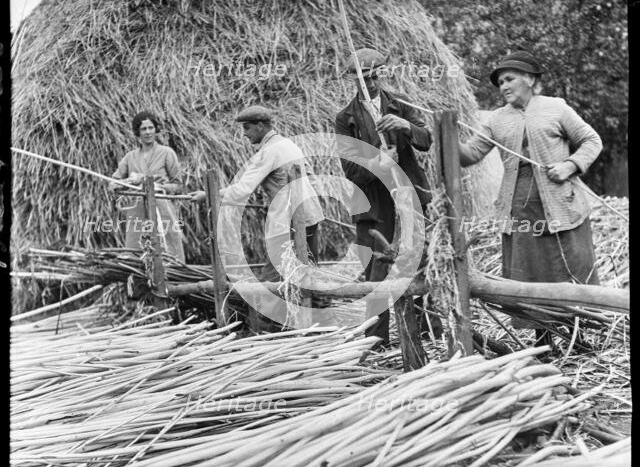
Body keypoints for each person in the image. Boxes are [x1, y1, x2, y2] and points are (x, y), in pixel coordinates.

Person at [457, 50, 602, 347]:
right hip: (520, 209)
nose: (504, 86)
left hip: (563, 203)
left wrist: (570, 166)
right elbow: (469, 154)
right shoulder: (497, 120)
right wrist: (439, 135)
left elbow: (591, 140)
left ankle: (577, 337)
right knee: (532, 272)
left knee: (568, 267)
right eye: (500, 82)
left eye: (509, 79)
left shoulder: (556, 108)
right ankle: (545, 338)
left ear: (530, 80)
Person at [335, 47, 442, 347]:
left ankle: (426, 332)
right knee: (376, 269)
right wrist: (378, 163)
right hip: (374, 203)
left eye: (372, 77)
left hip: (409, 195)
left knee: (419, 261)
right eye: (360, 78)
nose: (367, 84)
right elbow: (350, 170)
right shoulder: (345, 119)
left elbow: (426, 140)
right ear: (352, 80)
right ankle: (375, 340)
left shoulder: (400, 105)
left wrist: (405, 126)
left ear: (381, 74)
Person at [189, 105, 325, 331]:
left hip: (289, 221)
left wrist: (209, 196)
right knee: (310, 271)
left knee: (269, 280)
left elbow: (243, 189)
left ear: (261, 126)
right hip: (310, 215)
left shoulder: (268, 152)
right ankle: (320, 324)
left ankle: (264, 331)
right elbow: (310, 177)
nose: (245, 134)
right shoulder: (289, 144)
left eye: (247, 128)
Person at [110, 111, 185, 263]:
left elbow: (178, 185)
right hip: (137, 210)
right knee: (137, 251)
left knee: (167, 249)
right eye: (143, 129)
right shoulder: (130, 157)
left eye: (151, 128)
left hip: (161, 209)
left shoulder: (166, 153)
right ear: (137, 132)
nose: (148, 132)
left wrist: (159, 186)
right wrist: (130, 182)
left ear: (156, 129)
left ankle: (173, 277)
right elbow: (112, 184)